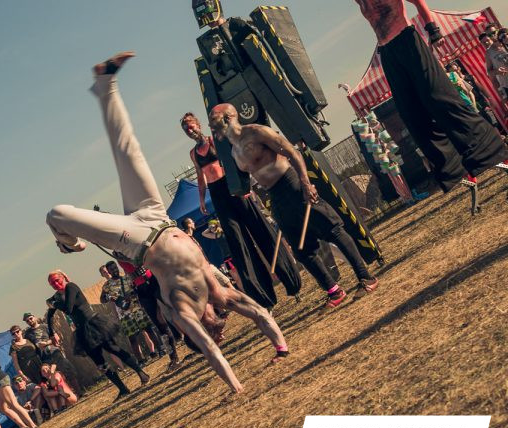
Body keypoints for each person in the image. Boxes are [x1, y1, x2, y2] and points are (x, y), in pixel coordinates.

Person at [45, 52, 289, 393]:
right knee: (130, 151)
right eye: (218, 326)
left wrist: (235, 386)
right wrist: (281, 346)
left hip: (136, 241)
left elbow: (210, 350)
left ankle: (69, 243)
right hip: (158, 216)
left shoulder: (182, 310)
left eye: (214, 327)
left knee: (56, 214)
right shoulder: (219, 291)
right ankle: (105, 83)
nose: (217, 326)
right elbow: (261, 313)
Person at [208, 103, 379, 308]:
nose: (210, 125)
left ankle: (366, 277)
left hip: (292, 184)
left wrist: (306, 183)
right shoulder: (234, 151)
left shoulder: (256, 132)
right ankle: (334, 291)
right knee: (301, 250)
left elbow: (292, 152)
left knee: (333, 230)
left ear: (228, 118)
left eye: (213, 119)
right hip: (275, 196)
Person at [354, 0, 508, 193]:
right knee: (411, 114)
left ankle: (491, 150)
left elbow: (419, 2)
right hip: (387, 52)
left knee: (441, 100)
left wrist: (433, 30)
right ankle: (453, 169)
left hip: (407, 40)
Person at [181, 112, 301, 303]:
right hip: (217, 193)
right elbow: (201, 177)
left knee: (259, 229)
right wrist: (202, 200)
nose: (189, 130)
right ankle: (262, 295)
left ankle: (290, 280)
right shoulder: (193, 153)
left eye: (191, 125)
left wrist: (243, 185)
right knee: (237, 240)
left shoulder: (214, 141)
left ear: (198, 125)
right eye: (186, 129)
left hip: (232, 187)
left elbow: (233, 162)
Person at [46, 270, 150, 400]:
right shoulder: (56, 297)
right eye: (52, 283)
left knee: (114, 349)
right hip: (82, 331)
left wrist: (53, 303)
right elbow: (50, 315)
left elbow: (68, 308)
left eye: (57, 280)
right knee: (99, 362)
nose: (56, 284)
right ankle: (122, 389)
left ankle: (142, 374)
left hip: (94, 324)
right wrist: (51, 333)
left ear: (63, 278)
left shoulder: (71, 287)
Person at [100, 261, 159, 363]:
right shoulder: (107, 286)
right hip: (124, 314)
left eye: (115, 267)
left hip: (136, 308)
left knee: (148, 329)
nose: (114, 270)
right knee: (132, 338)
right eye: (112, 269)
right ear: (109, 271)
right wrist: (109, 297)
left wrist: (131, 294)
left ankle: (161, 349)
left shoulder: (127, 278)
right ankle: (140, 360)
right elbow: (102, 299)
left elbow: (136, 289)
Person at [22, 313, 82, 393]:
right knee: (52, 378)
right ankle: (68, 396)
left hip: (54, 353)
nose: (30, 321)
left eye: (30, 318)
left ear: (34, 317)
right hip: (44, 358)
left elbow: (57, 338)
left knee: (68, 371)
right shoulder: (27, 334)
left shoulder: (45, 326)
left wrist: (46, 343)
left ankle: (79, 392)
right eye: (27, 321)